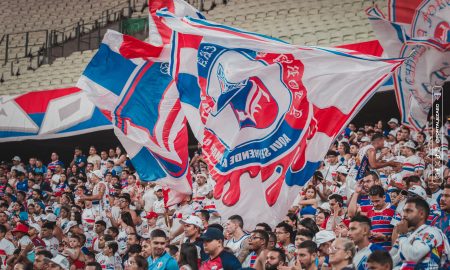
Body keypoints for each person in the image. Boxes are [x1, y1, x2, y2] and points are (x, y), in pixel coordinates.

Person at [390, 197, 447, 269]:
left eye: (409, 211)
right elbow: (392, 258)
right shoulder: (407, 234)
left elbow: (413, 256)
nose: (404, 215)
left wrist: (402, 235)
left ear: (421, 214)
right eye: (404, 211)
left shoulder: (431, 232)